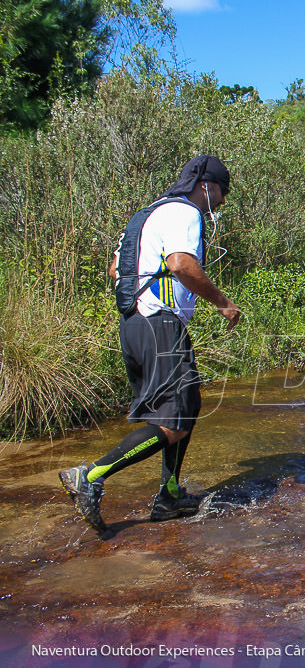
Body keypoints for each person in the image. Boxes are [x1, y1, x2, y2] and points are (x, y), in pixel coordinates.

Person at [58, 155, 242, 533]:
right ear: (205, 185)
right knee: (173, 419)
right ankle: (91, 475)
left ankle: (170, 497)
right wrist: (223, 303)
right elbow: (179, 263)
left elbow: (115, 270)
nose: (222, 201)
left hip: (135, 323)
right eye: (223, 191)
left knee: (185, 408)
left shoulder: (145, 215)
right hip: (159, 322)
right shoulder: (185, 211)